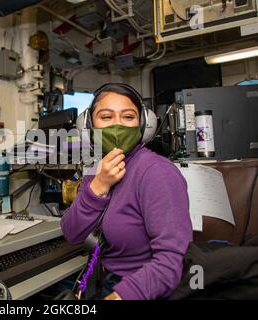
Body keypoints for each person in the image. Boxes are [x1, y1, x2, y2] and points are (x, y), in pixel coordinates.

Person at [61, 83, 193, 300]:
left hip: (141, 288)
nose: (118, 126)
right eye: (106, 117)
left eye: (128, 117)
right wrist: (98, 187)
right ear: (88, 126)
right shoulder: (96, 169)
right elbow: (72, 233)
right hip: (104, 279)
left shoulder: (156, 172)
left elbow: (173, 260)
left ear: (143, 125)